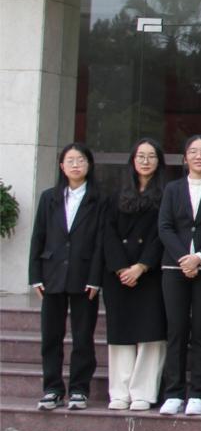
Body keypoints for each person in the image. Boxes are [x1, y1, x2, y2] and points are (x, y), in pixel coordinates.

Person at [30, 143, 103, 411]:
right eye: (70, 160)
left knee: (83, 337)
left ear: (89, 165)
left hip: (84, 276)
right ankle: (52, 389)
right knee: (51, 336)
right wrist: (35, 275)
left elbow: (100, 242)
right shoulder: (49, 197)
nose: (75, 165)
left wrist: (95, 278)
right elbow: (38, 237)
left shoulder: (99, 199)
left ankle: (79, 390)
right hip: (52, 274)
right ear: (62, 166)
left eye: (80, 160)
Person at [157, 135, 201, 417]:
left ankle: (198, 392)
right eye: (193, 152)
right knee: (176, 330)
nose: (199, 156)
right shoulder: (172, 189)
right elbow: (165, 226)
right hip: (174, 268)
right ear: (185, 158)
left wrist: (200, 257)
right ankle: (173, 392)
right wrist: (184, 258)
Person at [100, 138, 167, 411]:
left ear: (159, 162)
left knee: (151, 333)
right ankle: (119, 392)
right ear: (133, 160)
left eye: (151, 156)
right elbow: (107, 233)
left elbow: (161, 235)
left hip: (150, 273)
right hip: (118, 275)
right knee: (120, 332)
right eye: (141, 156)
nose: (146, 161)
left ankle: (144, 392)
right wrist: (121, 268)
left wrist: (141, 266)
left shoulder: (167, 194)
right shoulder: (115, 196)